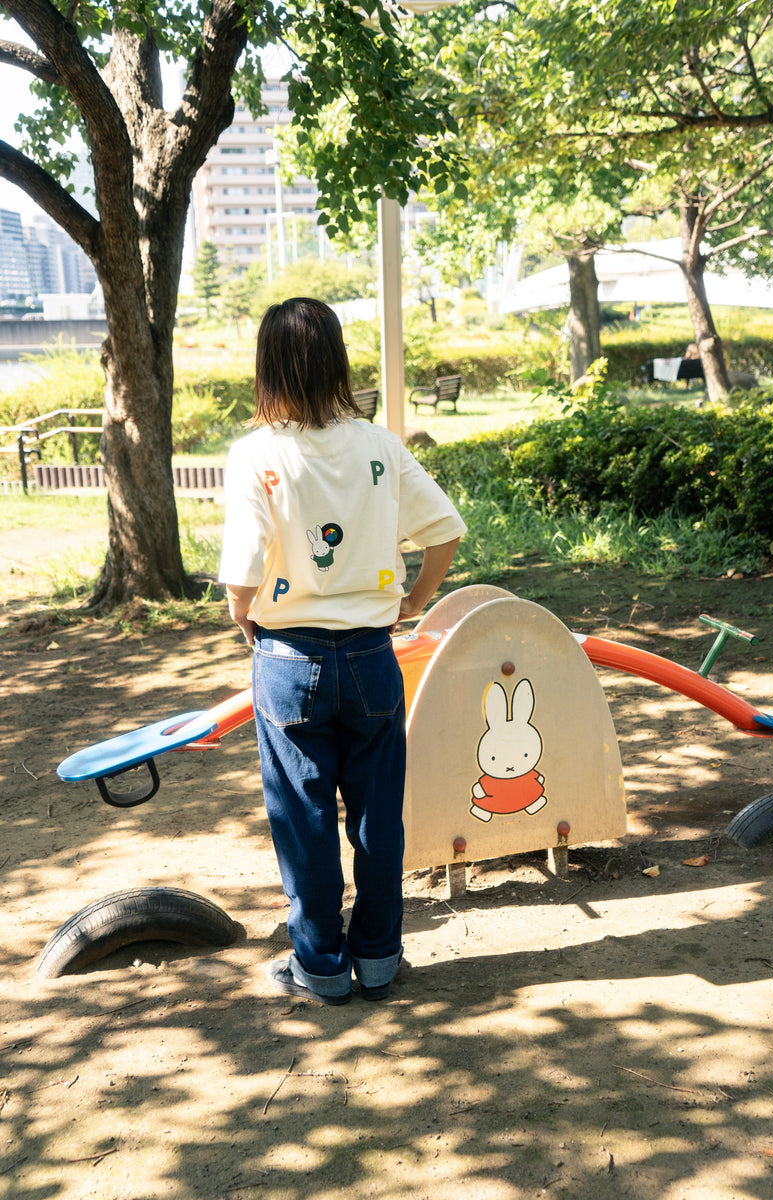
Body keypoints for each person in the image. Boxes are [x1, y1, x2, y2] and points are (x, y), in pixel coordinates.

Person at [218, 297, 465, 1006]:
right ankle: (381, 959)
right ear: (337, 362)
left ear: (266, 366)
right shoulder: (379, 446)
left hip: (287, 657)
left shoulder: (256, 454)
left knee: (303, 821)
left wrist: (245, 618)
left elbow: (242, 572)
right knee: (377, 815)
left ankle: (321, 967)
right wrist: (413, 600)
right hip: (369, 657)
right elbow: (444, 528)